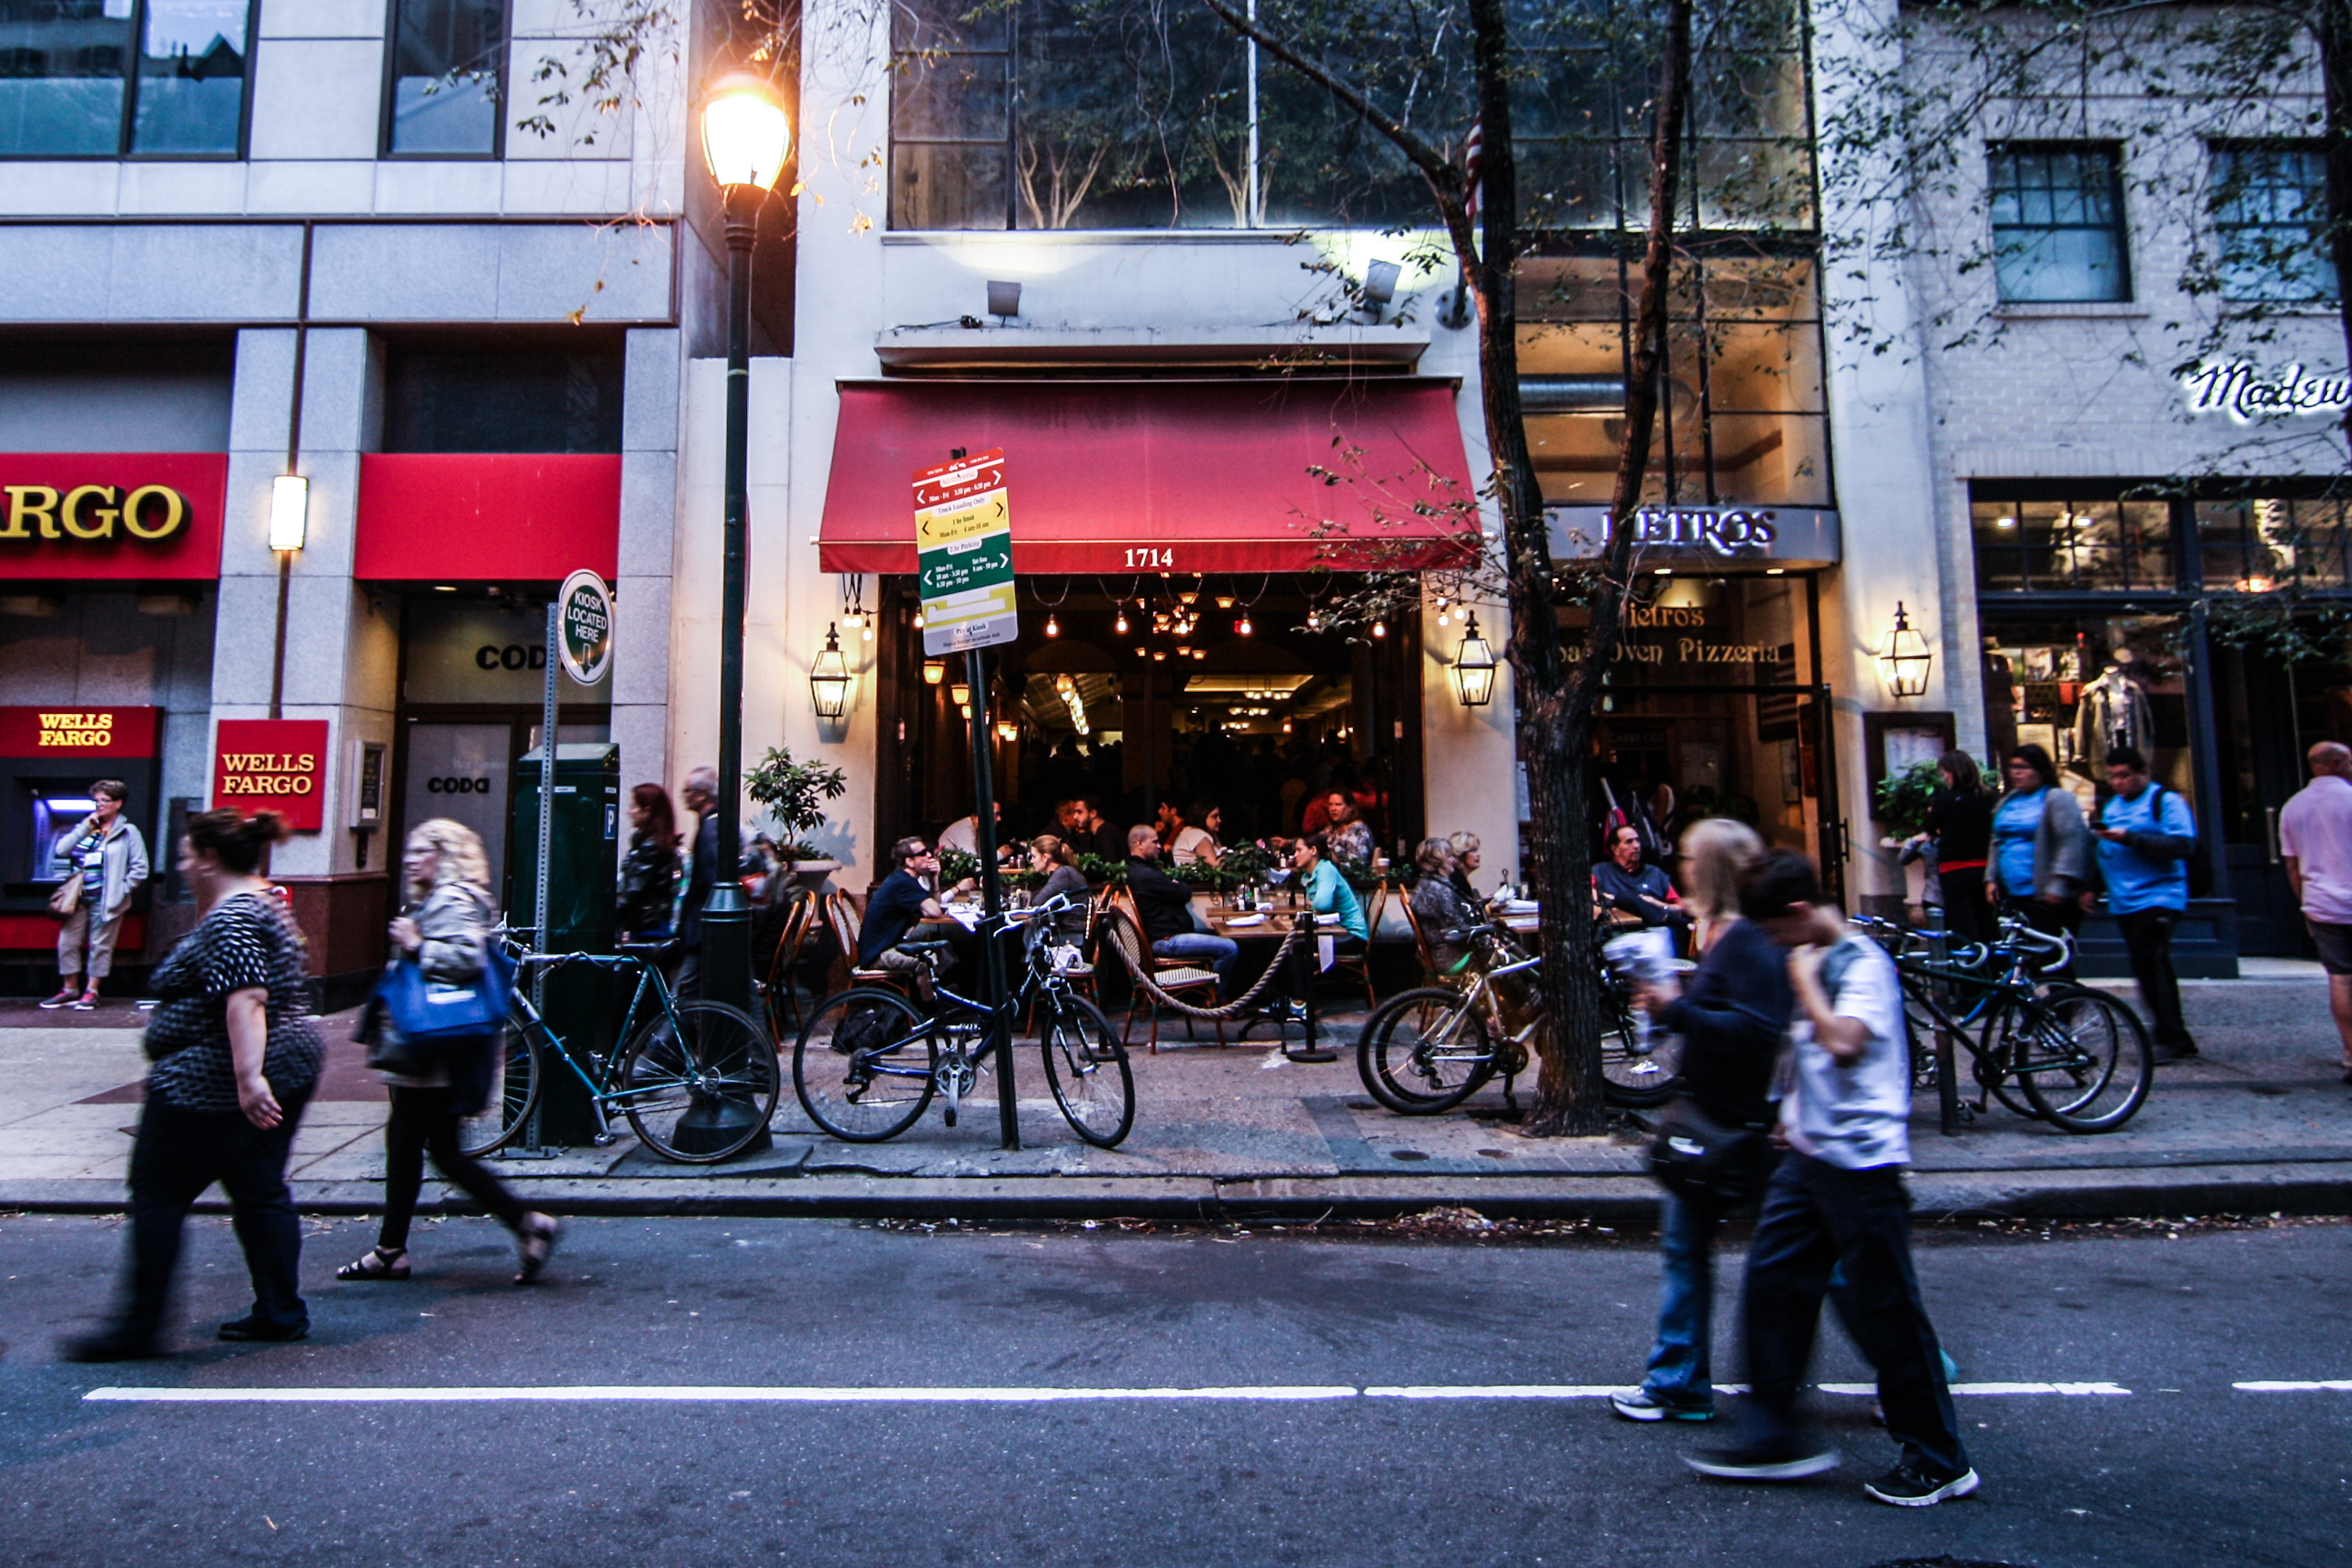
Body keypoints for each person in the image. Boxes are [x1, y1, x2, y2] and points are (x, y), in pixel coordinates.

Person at [1686, 849, 1976, 1509]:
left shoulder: (1861, 963)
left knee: (1889, 1310)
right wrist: (1788, 1114)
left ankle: (1938, 1459)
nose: (1770, 945)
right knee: (1772, 1288)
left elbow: (1844, 1041)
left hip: (1861, 1163)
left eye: (1773, 930)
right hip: (1809, 1158)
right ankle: (1772, 1438)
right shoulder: (1810, 954)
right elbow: (1805, 1053)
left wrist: (1804, 980)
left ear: (1797, 911)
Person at [62, 811, 322, 1361]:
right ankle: (280, 1311)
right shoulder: (265, 903)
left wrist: (249, 1080)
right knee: (259, 1189)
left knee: (159, 1193)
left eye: (186, 855)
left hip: (209, 1081)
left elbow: (246, 998)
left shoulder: (234, 916)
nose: (182, 864)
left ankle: (139, 1328)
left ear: (208, 859)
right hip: (286, 1064)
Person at [1613, 817, 1784, 1423]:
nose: (1680, 866)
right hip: (1723, 1118)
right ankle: (1678, 1378)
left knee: (1816, 1260)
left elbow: (1756, 1029)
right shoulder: (1726, 935)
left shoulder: (1744, 941)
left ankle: (1914, 1366)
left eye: (1688, 858)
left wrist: (1677, 1011)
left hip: (1738, 1124)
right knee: (1692, 1249)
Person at [340, 820, 560, 1287]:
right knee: (433, 1150)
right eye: (410, 850)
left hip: (433, 1053)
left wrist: (417, 944)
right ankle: (521, 1225)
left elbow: (466, 958)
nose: (410, 859)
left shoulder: (451, 899)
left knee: (414, 1145)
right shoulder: (443, 898)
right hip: (434, 1052)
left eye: (422, 850)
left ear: (445, 856)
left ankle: (396, 1250)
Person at [2088, 746, 2198, 1063]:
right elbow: (2105, 850)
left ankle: (2173, 1036)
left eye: (2124, 776)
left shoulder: (2165, 801)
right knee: (2144, 965)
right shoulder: (2113, 805)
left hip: (2158, 896)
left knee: (2153, 962)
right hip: (2124, 899)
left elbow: (2183, 845)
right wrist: (2092, 887)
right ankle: (2168, 1032)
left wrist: (2132, 838)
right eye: (2112, 777)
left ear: (2142, 773)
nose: (2117, 782)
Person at [2280, 740, 2352, 1084]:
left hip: (2323, 904)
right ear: (2336, 763)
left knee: (2341, 977)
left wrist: (2304, 904)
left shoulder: (2293, 807)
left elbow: (2292, 867)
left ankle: (2351, 1050)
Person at [43, 778, 149, 1010]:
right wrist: (85, 826)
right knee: (67, 942)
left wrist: (122, 890)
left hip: (107, 899)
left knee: (101, 945)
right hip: (77, 898)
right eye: (97, 800)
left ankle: (92, 990)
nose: (100, 805)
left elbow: (140, 868)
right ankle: (70, 988)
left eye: (105, 800)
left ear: (118, 803)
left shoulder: (128, 832)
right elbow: (61, 850)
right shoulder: (87, 827)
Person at [1986, 742, 2091, 971]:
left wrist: (2059, 885)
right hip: (2014, 893)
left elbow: (2072, 843)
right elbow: (1997, 841)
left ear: (2040, 771)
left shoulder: (2056, 799)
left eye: (2023, 768)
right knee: (2023, 957)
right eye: (2013, 767)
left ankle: (2061, 994)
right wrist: (1991, 878)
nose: (2016, 773)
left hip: (2046, 894)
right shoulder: (2008, 801)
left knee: (2051, 958)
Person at [1128, 824, 1237, 996]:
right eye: (1155, 842)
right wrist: (1177, 885)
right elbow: (1183, 893)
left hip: (1169, 935)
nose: (1159, 846)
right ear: (1139, 843)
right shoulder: (1146, 875)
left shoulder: (1141, 870)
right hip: (1167, 940)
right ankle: (1215, 999)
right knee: (1229, 948)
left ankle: (1213, 995)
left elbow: (1178, 891)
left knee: (1219, 934)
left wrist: (1175, 885)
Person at [859, 836, 974, 975]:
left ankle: (939, 985)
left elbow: (935, 906)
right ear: (910, 862)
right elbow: (934, 911)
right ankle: (930, 990)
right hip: (877, 955)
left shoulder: (903, 879)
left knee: (937, 945)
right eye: (923, 853)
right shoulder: (903, 883)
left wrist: (934, 878)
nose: (929, 855)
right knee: (924, 963)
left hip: (885, 947)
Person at [1921, 751, 1995, 951]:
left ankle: (1969, 963)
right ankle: (1992, 963)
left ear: (1953, 772)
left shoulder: (1945, 799)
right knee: (1986, 921)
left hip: (1954, 867)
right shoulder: (1987, 796)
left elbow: (1930, 828)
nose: (1944, 777)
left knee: (1963, 925)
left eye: (1945, 772)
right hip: (1983, 866)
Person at [673, 765, 722, 998]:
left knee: (680, 997)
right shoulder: (712, 825)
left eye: (687, 790)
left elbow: (712, 880)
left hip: (704, 930)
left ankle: (667, 1026)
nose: (683, 796)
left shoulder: (709, 830)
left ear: (702, 793)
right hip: (708, 930)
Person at [1594, 822, 1691, 933]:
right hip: (1616, 932)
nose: (1636, 846)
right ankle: (1684, 924)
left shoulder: (1655, 873)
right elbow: (1592, 902)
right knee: (1623, 897)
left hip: (1654, 932)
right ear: (1615, 849)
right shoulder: (1599, 872)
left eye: (1638, 840)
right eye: (1629, 842)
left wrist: (1659, 905)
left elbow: (1680, 907)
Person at [616, 782, 682, 943]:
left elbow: (635, 889)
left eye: (634, 806)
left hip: (647, 925)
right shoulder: (656, 843)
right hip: (651, 923)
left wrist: (611, 915)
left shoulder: (650, 847)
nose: (629, 812)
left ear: (647, 811)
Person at [1408, 837, 1483, 974]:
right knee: (1507, 960)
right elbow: (1458, 930)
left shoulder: (1426, 884)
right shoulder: (1439, 891)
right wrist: (1486, 937)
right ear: (1438, 862)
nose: (1454, 860)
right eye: (1450, 856)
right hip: (1452, 958)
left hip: (1438, 955)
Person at [1029, 834, 1091, 940]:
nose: (1031, 861)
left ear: (1045, 857)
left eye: (1034, 856)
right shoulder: (1062, 872)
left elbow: (1037, 903)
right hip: (1071, 929)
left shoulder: (1063, 873)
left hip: (1073, 932)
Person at [1172, 799, 1223, 866]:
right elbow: (1215, 866)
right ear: (1202, 816)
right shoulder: (1198, 835)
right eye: (1214, 816)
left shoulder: (1190, 832)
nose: (1219, 820)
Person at [1448, 831, 1486, 906]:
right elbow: (1465, 910)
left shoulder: (1459, 877)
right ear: (1461, 854)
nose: (1479, 855)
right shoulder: (1457, 879)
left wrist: (1482, 901)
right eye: (1473, 851)